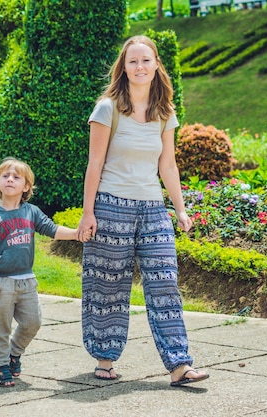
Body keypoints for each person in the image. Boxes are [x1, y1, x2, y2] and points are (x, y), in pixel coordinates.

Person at [76, 35, 209, 387]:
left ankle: (180, 364)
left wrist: (179, 210)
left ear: (156, 66)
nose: (140, 67)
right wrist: (88, 213)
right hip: (111, 206)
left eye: (146, 60)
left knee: (165, 284)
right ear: (124, 67)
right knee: (108, 286)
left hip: (153, 209)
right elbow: (95, 163)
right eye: (133, 61)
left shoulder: (165, 112)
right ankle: (105, 357)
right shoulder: (107, 108)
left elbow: (168, 165)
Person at [0, 157, 89, 387]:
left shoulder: (31, 212)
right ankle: (0, 365)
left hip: (27, 280)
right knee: (1, 326)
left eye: (16, 177)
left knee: (33, 322)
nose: (10, 179)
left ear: (26, 186)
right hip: (3, 281)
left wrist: (77, 233)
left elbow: (51, 229)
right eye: (5, 176)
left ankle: (14, 353)